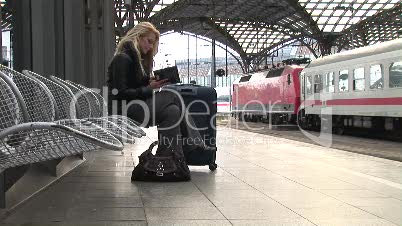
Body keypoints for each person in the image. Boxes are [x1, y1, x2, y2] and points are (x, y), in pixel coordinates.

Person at [107, 22, 208, 158]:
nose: (150, 47)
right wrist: (149, 88)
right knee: (173, 95)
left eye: (152, 44)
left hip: (136, 106)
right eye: (148, 42)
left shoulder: (136, 61)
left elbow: (133, 86)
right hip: (124, 110)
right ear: (137, 36)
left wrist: (149, 82)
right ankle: (194, 143)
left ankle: (168, 158)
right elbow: (121, 93)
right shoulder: (122, 58)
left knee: (173, 111)